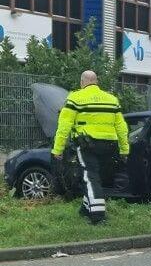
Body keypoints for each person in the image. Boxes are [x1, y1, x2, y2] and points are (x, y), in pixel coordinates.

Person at [51, 70, 129, 224]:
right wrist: (124, 149)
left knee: (90, 178)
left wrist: (58, 149)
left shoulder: (75, 98)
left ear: (82, 82)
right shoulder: (112, 100)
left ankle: (98, 216)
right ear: (97, 82)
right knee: (91, 177)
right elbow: (122, 127)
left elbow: (64, 125)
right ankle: (85, 209)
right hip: (109, 146)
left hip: (87, 145)